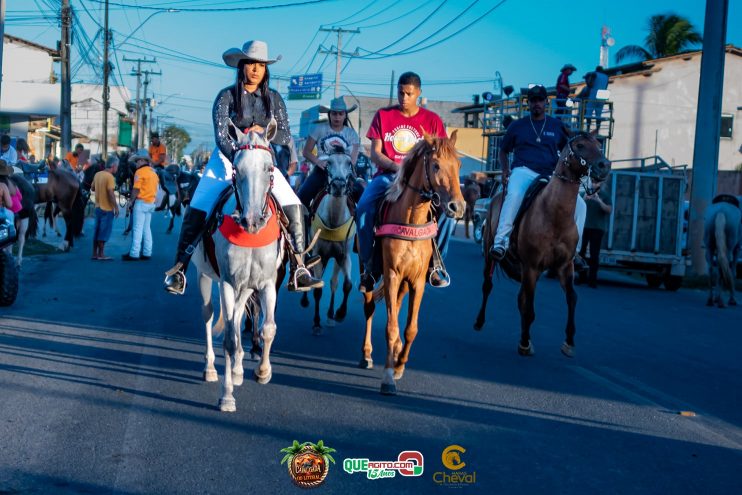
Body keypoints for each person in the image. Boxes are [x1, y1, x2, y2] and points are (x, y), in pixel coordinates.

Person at [163, 40, 323, 295]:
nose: (256, 69)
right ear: (242, 66)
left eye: (261, 65)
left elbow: (283, 136)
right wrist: (239, 157)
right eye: (251, 64)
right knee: (199, 203)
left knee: (293, 203)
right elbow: (221, 135)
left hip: (261, 161)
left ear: (265, 69)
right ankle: (179, 268)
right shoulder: (226, 96)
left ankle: (299, 266)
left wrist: (260, 135)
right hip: (227, 159)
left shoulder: (275, 99)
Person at [356, 71, 452, 292]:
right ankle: (368, 268)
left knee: (449, 213)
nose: (404, 98)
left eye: (409, 94)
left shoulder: (432, 121)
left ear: (418, 93)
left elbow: (443, 154)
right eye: (401, 93)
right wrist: (399, 167)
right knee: (363, 208)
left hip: (424, 182)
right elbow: (376, 153)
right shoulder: (383, 115)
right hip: (388, 176)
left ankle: (436, 264)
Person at [490, 85, 587, 260]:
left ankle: (575, 251)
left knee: (581, 205)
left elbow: (570, 148)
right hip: (523, 171)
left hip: (551, 175)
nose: (537, 104)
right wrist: (505, 170)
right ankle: (500, 241)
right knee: (514, 194)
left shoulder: (556, 125)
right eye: (533, 100)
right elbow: (503, 150)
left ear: (546, 102)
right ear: (528, 103)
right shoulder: (517, 126)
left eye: (540, 100)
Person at [298, 97, 361, 208]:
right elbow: (306, 151)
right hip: (322, 170)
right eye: (334, 114)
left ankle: (363, 224)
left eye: (340, 114)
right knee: (301, 197)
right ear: (329, 114)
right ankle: (303, 223)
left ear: (345, 115)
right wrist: (318, 162)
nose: (337, 117)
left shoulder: (352, 134)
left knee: (363, 196)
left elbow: (353, 159)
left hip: (344, 172)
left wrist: (344, 168)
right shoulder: (318, 128)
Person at [122, 149, 159, 261]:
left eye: (138, 161)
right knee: (146, 228)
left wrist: (130, 202)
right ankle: (147, 252)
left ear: (143, 160)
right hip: (150, 202)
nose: (136, 163)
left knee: (137, 228)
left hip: (141, 202)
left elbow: (136, 189)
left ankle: (134, 253)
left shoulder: (139, 172)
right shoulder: (153, 172)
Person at [579, 180, 612, 287]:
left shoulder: (605, 195)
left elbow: (609, 210)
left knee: (594, 254)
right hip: (584, 227)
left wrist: (598, 200)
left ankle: (592, 280)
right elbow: (575, 206)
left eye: (596, 183)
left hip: (598, 229)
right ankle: (581, 277)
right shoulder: (584, 193)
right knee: (581, 253)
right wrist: (584, 199)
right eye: (592, 182)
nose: (594, 184)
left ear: (600, 184)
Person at [91, 156, 120, 260]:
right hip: (107, 208)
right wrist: (116, 207)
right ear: (113, 166)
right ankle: (101, 254)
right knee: (104, 232)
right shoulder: (110, 177)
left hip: (98, 207)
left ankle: (94, 254)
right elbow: (111, 193)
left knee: (97, 230)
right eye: (117, 167)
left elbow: (93, 188)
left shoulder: (97, 174)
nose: (117, 169)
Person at [584, 66, 609, 131]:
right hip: (603, 95)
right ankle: (597, 129)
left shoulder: (594, 74)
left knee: (589, 113)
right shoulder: (606, 77)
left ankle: (588, 129)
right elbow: (606, 87)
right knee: (598, 114)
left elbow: (590, 84)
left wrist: (587, 80)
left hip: (594, 94)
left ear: (596, 70)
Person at [0, 160, 17, 242]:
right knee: (10, 215)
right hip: (1, 212)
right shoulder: (3, 185)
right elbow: (9, 204)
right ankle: (8, 246)